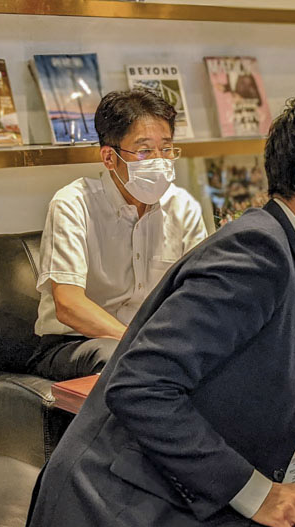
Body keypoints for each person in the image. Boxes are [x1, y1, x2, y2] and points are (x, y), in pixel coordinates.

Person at [22, 88, 295, 527]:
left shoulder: (277, 247)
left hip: (156, 492)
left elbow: (254, 399)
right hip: (116, 513)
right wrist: (260, 496)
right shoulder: (257, 253)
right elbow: (138, 388)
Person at [27, 88, 208, 381]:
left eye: (166, 149)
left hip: (154, 345)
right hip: (76, 343)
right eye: (144, 151)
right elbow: (69, 305)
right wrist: (139, 343)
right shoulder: (73, 204)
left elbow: (199, 293)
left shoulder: (182, 207)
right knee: (118, 359)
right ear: (109, 157)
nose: (159, 161)